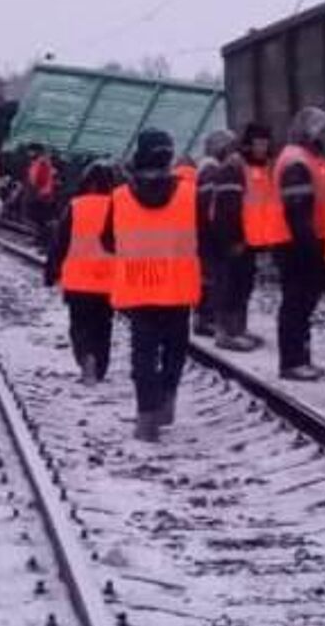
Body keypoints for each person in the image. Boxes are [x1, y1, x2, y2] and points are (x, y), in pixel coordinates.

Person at [104, 129, 201, 442]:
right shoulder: (188, 193)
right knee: (175, 348)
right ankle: (167, 400)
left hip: (139, 288)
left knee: (143, 354)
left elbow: (107, 241)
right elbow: (206, 234)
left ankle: (146, 419)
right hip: (177, 287)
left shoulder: (120, 196)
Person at [274, 106, 325, 381]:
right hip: (298, 244)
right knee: (296, 303)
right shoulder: (297, 162)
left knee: (302, 303)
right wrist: (308, 244)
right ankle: (292, 361)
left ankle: (300, 358)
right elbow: (297, 209)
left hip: (306, 240)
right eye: (322, 129)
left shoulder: (308, 158)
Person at [48, 162, 118, 384]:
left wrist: (52, 270)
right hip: (108, 279)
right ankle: (100, 367)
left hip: (78, 279)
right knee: (103, 324)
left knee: (79, 323)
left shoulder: (75, 206)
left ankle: (85, 357)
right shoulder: (117, 206)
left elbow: (60, 242)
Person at [213, 123, 281, 350]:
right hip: (236, 240)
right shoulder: (235, 167)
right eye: (258, 143)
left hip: (252, 240)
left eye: (265, 142)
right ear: (248, 144)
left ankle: (239, 328)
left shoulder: (264, 167)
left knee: (244, 285)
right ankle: (226, 332)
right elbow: (227, 207)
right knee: (231, 285)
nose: (263, 147)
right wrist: (234, 239)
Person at [194, 129, 240, 338]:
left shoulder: (206, 169)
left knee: (210, 277)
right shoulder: (212, 171)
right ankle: (206, 319)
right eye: (229, 146)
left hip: (205, 233)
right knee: (213, 278)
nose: (232, 151)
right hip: (210, 235)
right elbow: (210, 206)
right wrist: (221, 232)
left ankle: (205, 318)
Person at [26, 146, 58, 244]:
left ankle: (42, 239)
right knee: (39, 218)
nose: (29, 153)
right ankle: (39, 237)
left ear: (38, 151)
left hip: (41, 194)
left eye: (31, 151)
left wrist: (36, 191)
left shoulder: (42, 163)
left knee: (41, 218)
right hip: (39, 193)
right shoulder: (37, 162)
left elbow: (40, 179)